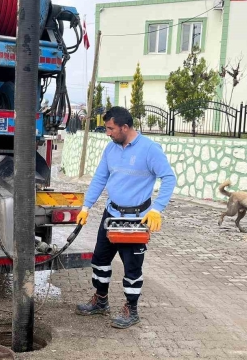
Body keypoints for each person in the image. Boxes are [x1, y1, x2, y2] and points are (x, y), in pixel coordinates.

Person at [75, 106, 176, 329]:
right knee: (100, 261)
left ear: (125, 127)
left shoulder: (150, 149)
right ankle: (101, 301)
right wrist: (86, 207)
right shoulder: (110, 150)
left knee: (132, 267)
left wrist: (157, 209)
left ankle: (132, 309)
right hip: (111, 214)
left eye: (110, 128)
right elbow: (100, 179)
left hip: (136, 220)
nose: (107, 133)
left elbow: (169, 178)